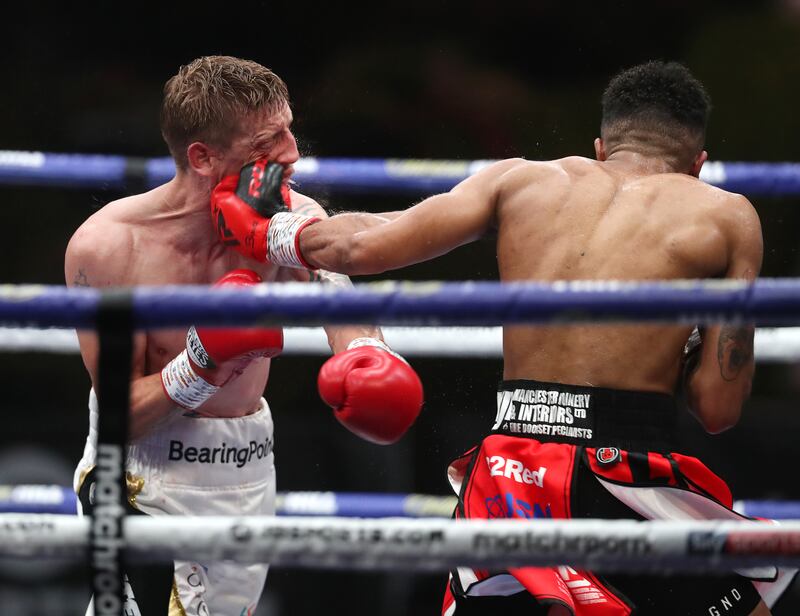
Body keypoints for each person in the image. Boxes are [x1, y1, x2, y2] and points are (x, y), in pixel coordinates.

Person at [212, 61, 790, 615]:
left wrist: (268, 225)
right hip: (626, 470)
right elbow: (718, 407)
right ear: (699, 163)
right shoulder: (727, 214)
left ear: (600, 147)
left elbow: (361, 247)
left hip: (510, 474)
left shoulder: (520, 178)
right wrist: (680, 345)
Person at [64, 55, 423, 616]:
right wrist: (202, 362)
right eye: (265, 145)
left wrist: (365, 353)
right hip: (143, 480)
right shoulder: (110, 247)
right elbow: (117, 416)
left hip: (249, 469)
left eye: (288, 129)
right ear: (202, 157)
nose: (291, 154)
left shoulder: (284, 215)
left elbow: (342, 300)